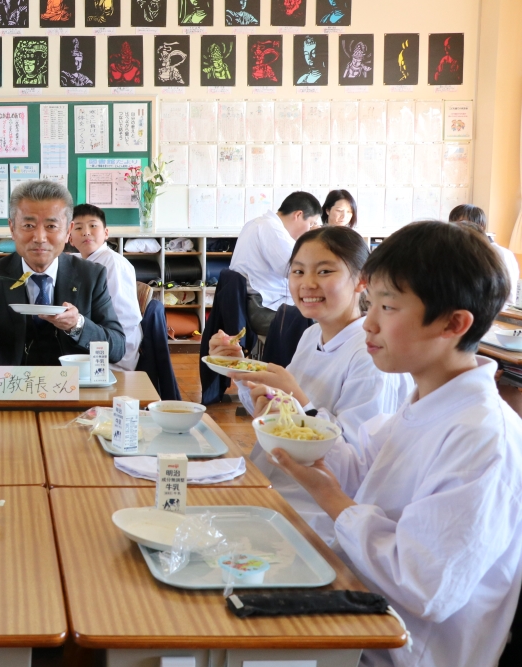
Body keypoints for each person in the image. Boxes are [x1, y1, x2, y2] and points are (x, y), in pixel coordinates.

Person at [269, 221, 522, 667]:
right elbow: (361, 470)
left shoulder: (481, 435)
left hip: (399, 650)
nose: (368, 322)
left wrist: (331, 499)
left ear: (453, 323)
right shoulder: (425, 402)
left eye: (387, 306)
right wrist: (297, 432)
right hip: (358, 609)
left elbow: (425, 583)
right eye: (372, 303)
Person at [211, 226, 411, 542]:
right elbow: (273, 413)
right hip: (267, 481)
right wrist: (240, 370)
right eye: (298, 271)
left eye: (325, 271)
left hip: (313, 513)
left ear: (362, 280)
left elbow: (357, 469)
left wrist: (298, 400)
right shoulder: (311, 335)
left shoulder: (372, 356)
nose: (307, 283)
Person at [0, 179, 126, 365]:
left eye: (51, 226)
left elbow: (117, 349)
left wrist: (77, 325)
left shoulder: (91, 275)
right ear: (12, 229)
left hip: (71, 387)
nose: (39, 238)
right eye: (28, 226)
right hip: (8, 386)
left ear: (68, 231)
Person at [229, 191, 322, 336]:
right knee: (322, 322)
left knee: (318, 315)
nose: (309, 230)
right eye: (310, 224)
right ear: (298, 215)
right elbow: (294, 270)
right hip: (260, 308)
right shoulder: (272, 229)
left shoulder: (258, 223)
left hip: (253, 303)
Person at [70, 204, 142, 371]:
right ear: (70, 238)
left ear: (106, 233)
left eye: (93, 226)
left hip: (115, 353)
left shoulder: (112, 263)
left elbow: (123, 320)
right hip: (96, 339)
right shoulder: (84, 260)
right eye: (78, 227)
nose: (86, 232)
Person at [449, 204, 518, 306]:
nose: (456, 229)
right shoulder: (458, 252)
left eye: (462, 224)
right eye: (453, 224)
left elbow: (509, 296)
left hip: (491, 312)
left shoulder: (501, 253)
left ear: (480, 226)